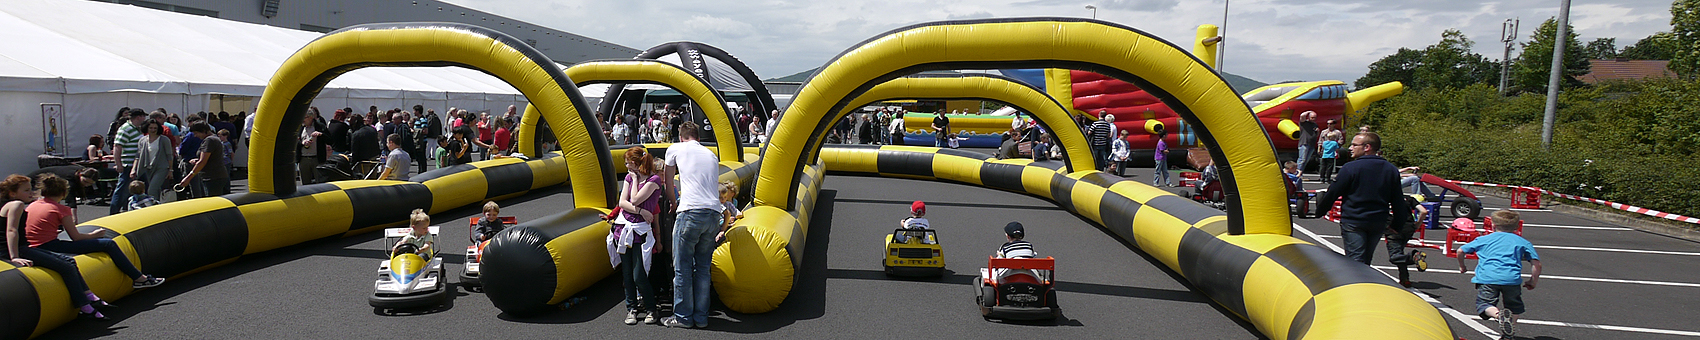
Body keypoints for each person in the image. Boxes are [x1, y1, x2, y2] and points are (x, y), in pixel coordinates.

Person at [3, 175, 114, 320]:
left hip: (23, 247)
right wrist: (15, 256)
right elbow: (11, 230)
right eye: (26, 190)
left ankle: (89, 296)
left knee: (70, 262)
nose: (30, 193)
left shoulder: (9, 204)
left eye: (31, 189)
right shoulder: (16, 204)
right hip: (17, 249)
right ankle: (85, 306)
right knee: (66, 266)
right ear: (12, 193)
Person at [30, 174, 166, 288]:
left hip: (32, 247)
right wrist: (94, 235)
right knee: (108, 244)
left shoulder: (34, 205)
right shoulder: (61, 209)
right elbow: (75, 237)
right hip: (48, 245)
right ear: (63, 193)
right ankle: (139, 278)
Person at [1313, 132, 1409, 265]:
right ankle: (1364, 281)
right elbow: (1398, 199)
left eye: (1354, 145)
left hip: (1354, 220)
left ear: (1367, 147)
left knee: (1355, 261)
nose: (1350, 148)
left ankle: (1356, 283)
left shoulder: (1350, 168)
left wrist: (1320, 210)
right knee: (1366, 260)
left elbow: (1333, 192)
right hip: (1378, 221)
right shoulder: (1391, 169)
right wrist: (1397, 224)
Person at [660, 122, 721, 329]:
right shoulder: (711, 154)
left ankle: (683, 317)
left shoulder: (675, 149)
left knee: (683, 268)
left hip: (690, 211)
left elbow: (669, 182)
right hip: (713, 213)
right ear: (698, 138)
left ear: (681, 137)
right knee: (703, 268)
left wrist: (673, 202)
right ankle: (701, 317)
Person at [1458, 210, 1541, 339]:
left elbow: (1460, 250)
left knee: (1484, 304)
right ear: (1517, 226)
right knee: (1514, 307)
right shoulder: (1522, 242)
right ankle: (1508, 335)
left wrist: (1462, 266)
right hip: (1511, 280)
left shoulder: (1483, 239)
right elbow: (1536, 264)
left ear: (1493, 225)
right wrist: (1532, 281)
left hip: (1487, 278)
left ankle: (1498, 315)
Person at [610, 146, 662, 325]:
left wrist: (634, 180)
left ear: (636, 163)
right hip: (624, 228)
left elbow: (634, 199)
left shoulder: (654, 179)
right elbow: (622, 203)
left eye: (628, 162)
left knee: (639, 273)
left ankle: (651, 309)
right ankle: (631, 308)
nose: (626, 166)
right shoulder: (628, 178)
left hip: (640, 232)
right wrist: (642, 212)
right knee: (626, 273)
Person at [108, 110, 147, 215]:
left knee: (133, 189)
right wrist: (119, 164)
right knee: (122, 189)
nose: (145, 119)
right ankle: (114, 212)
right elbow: (117, 146)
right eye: (144, 116)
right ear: (138, 117)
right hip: (128, 164)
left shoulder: (136, 129)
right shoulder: (125, 129)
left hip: (137, 164)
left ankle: (127, 210)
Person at [1386, 194, 1429, 287]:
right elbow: (1424, 211)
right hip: (1408, 228)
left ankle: (1413, 257)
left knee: (1394, 257)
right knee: (1399, 253)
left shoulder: (1382, 198)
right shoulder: (1408, 198)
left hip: (1392, 229)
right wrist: (1418, 224)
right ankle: (1404, 279)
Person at [180, 123, 230, 196]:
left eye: (196, 133)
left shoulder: (209, 140)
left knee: (212, 202)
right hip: (216, 176)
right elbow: (211, 157)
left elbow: (202, 162)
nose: (195, 136)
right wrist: (198, 160)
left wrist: (188, 178)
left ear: (203, 131)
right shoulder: (214, 138)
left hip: (213, 177)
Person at [131, 121, 173, 201]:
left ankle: (152, 207)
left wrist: (170, 170)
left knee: (152, 189)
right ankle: (157, 205)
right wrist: (134, 169)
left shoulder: (164, 140)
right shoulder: (142, 140)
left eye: (155, 128)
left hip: (161, 168)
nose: (153, 130)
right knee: (154, 190)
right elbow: (138, 156)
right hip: (147, 167)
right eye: (150, 128)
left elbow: (169, 155)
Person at [299, 113, 327, 185]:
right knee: (305, 183)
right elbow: (294, 141)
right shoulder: (300, 128)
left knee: (320, 182)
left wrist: (321, 134)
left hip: (317, 158)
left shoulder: (320, 126)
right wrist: (302, 142)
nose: (303, 120)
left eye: (305, 118)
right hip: (303, 158)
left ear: (311, 117)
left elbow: (330, 140)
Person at [1296, 111, 1319, 176]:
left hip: (1311, 144)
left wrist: (1318, 132)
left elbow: (1316, 135)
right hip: (1304, 143)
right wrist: (1309, 111)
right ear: (1308, 117)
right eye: (1312, 117)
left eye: (1315, 117)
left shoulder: (1315, 124)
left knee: (1306, 161)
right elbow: (1302, 116)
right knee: (1302, 160)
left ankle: (1300, 174)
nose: (1313, 119)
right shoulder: (1304, 123)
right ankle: (1296, 173)